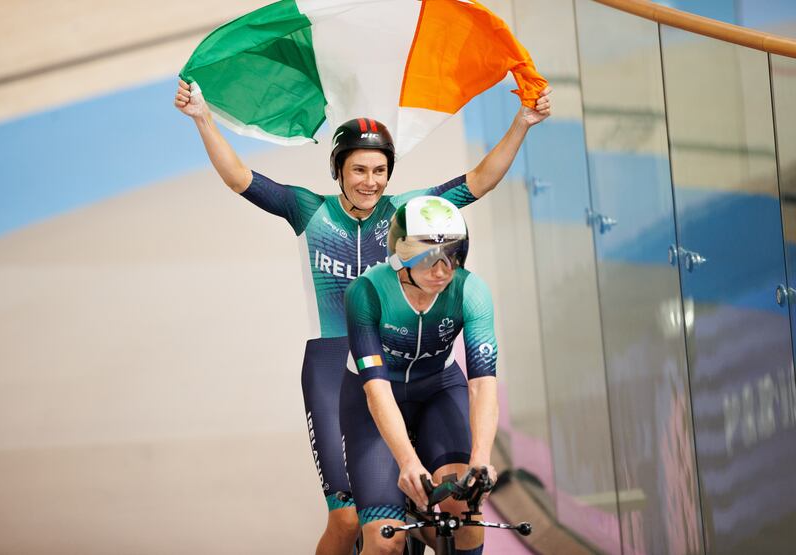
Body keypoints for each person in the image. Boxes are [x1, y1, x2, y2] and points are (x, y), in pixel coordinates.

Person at [174, 79, 550, 555]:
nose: (370, 181)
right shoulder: (309, 210)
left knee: (452, 513)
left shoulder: (408, 214)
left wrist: (522, 122)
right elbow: (239, 178)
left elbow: (480, 180)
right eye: (358, 170)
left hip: (413, 359)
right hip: (337, 365)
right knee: (347, 518)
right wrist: (203, 118)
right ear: (338, 170)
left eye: (379, 170)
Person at [342, 196, 497, 555]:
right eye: (428, 256)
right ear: (400, 256)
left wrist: (481, 458)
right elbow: (377, 390)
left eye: (452, 255)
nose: (443, 269)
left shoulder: (472, 291)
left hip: (438, 391)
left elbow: (482, 385)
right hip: (374, 401)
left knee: (466, 518)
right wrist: (408, 461)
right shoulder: (366, 293)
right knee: (386, 541)